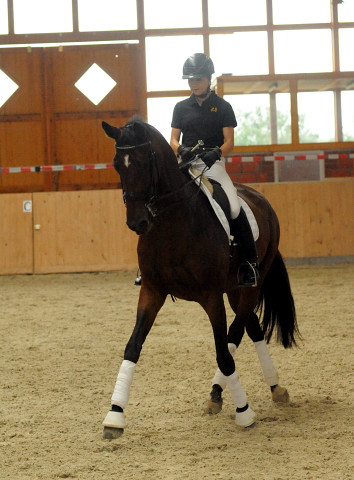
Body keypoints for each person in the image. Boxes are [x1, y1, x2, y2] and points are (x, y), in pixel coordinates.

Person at [170, 53, 259, 287]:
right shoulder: (180, 107)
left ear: (209, 78)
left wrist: (217, 152)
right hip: (187, 163)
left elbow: (230, 141)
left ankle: (249, 263)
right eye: (190, 80)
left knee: (234, 206)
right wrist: (181, 150)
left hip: (213, 165)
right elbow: (172, 139)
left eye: (198, 79)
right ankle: (148, 265)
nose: (194, 83)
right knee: (163, 201)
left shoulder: (222, 107)